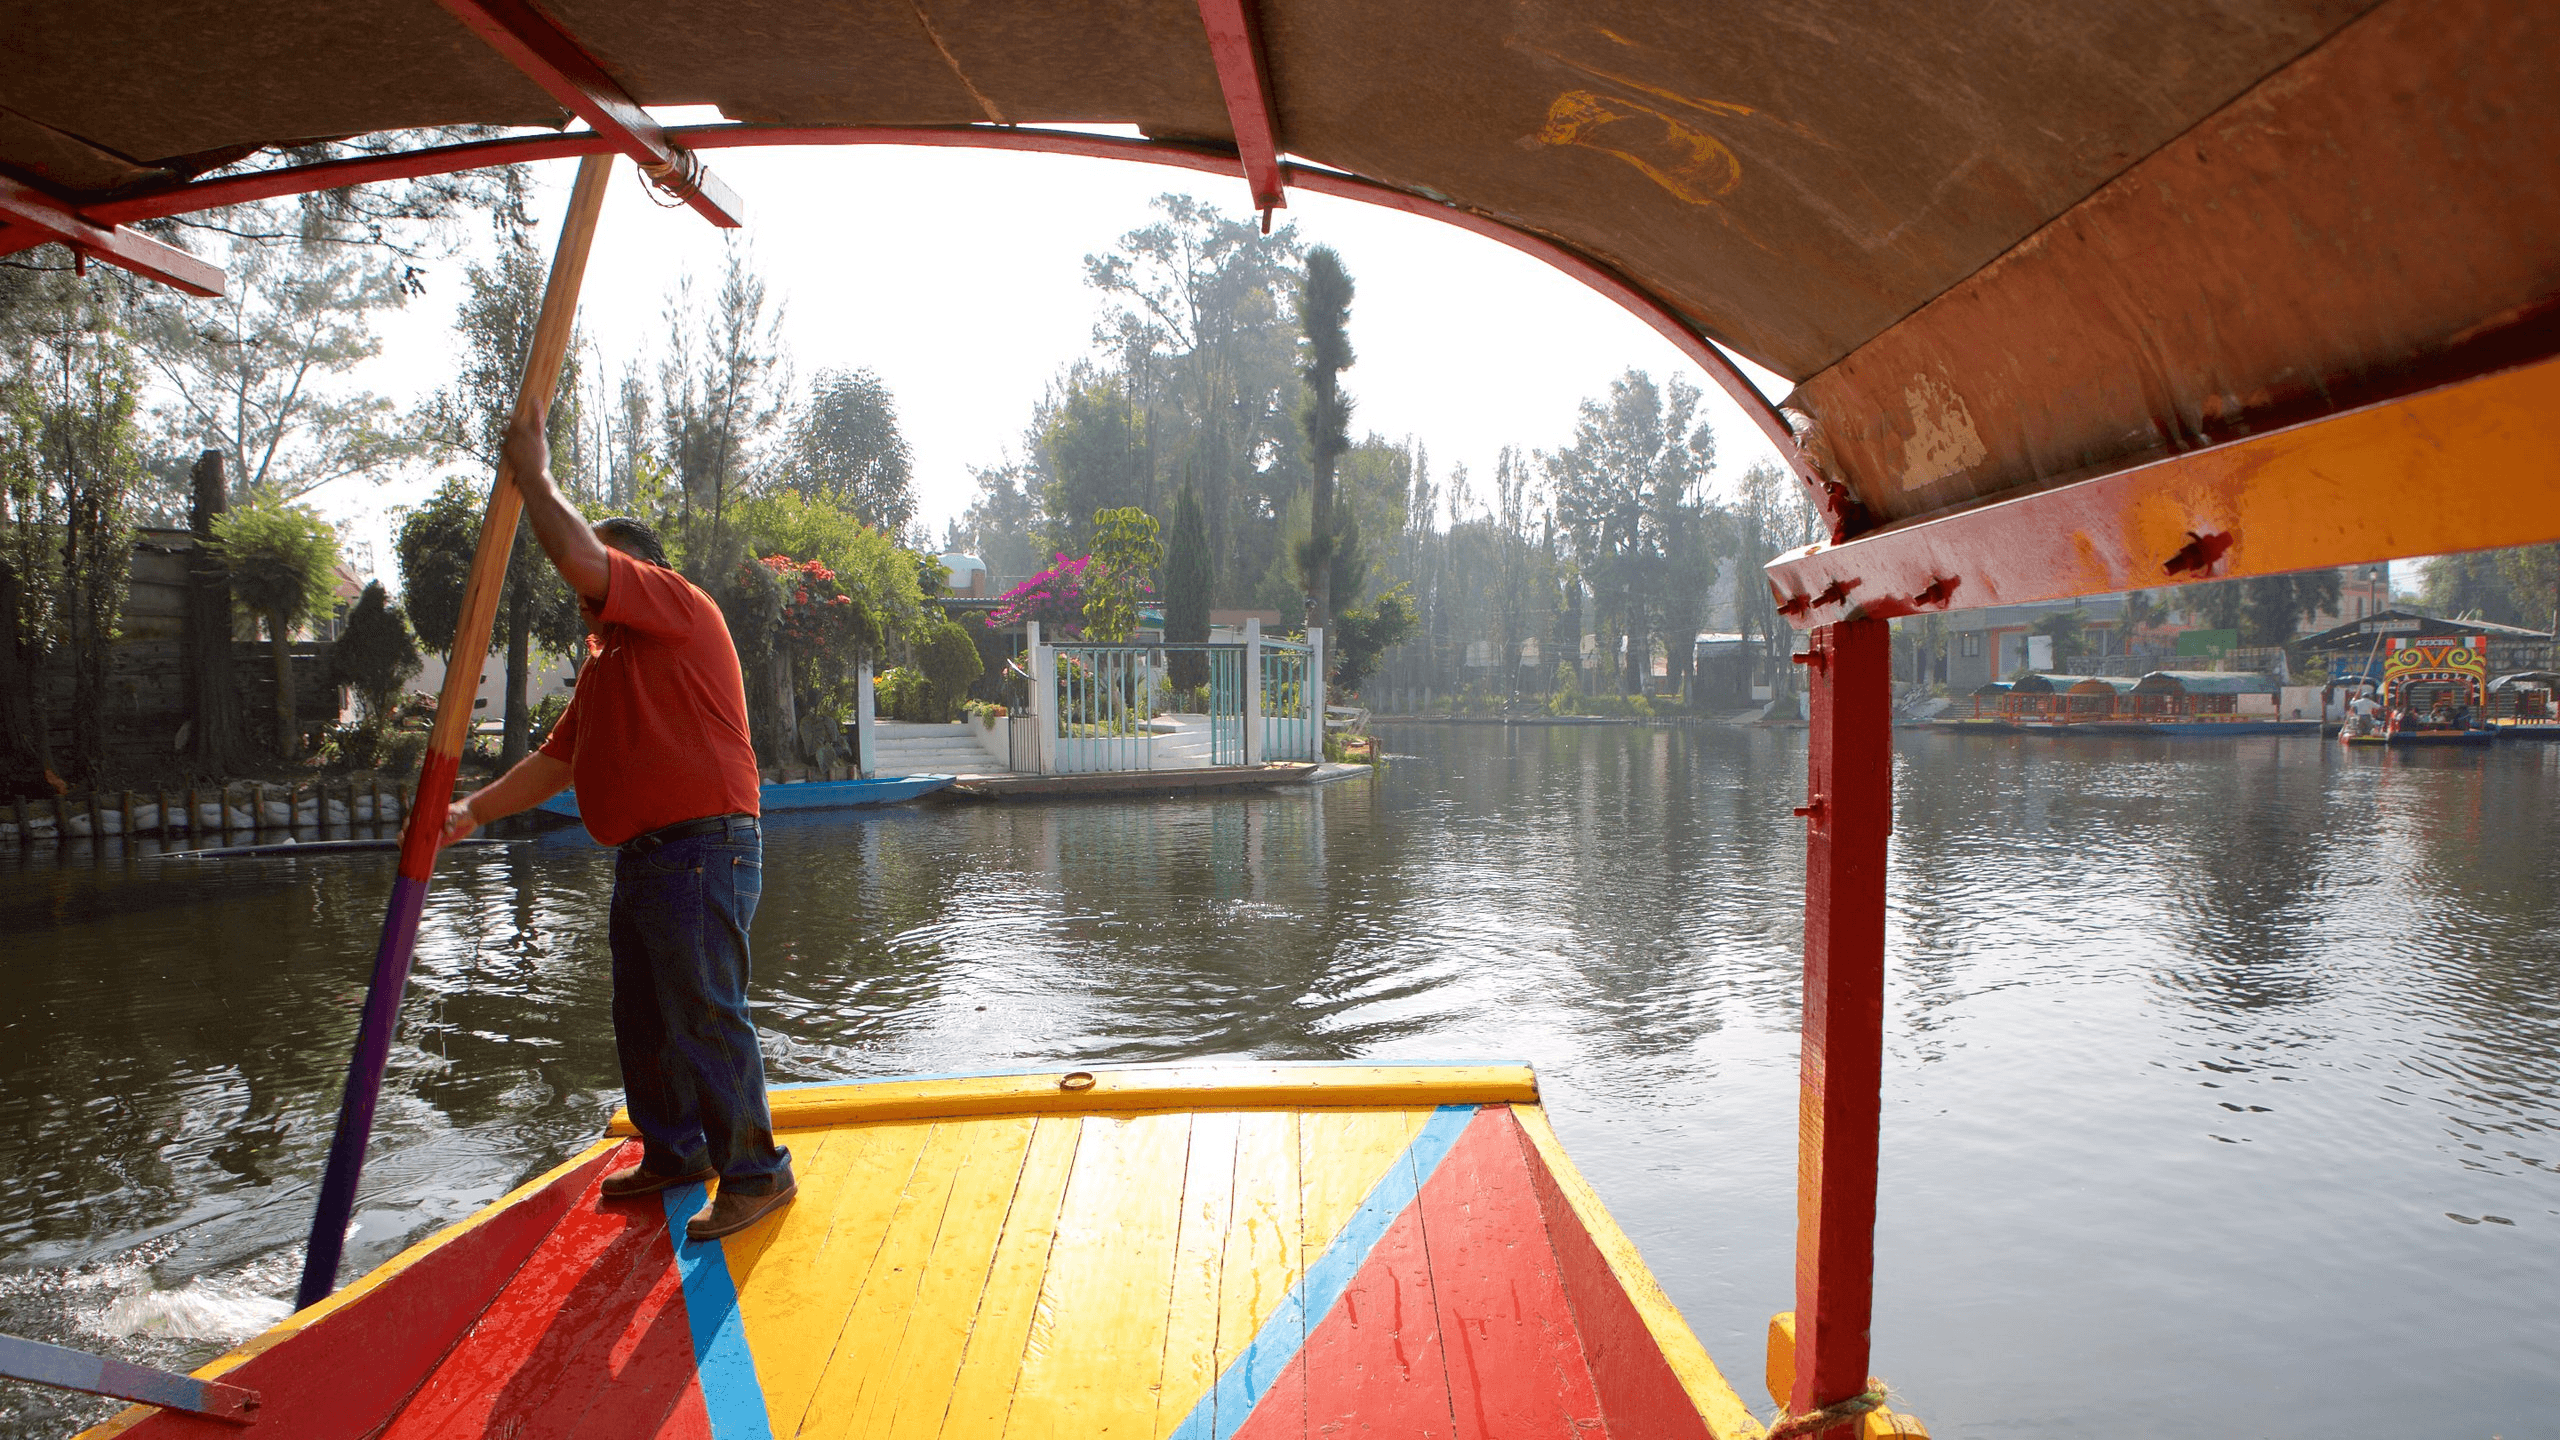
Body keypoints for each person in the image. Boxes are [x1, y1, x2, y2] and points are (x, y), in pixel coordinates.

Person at [440, 408, 795, 1242]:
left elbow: (577, 553)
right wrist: (471, 813)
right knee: (641, 1011)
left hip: (705, 846)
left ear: (640, 570)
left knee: (707, 1008)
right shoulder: (607, 667)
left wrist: (534, 473)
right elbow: (557, 762)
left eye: (600, 574)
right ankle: (675, 1150)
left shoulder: (676, 606)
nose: (583, 593)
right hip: (650, 857)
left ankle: (756, 1171)